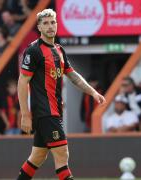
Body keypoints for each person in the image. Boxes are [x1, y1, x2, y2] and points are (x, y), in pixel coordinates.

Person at [17, 9, 106, 180]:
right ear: (39, 27)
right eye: (46, 23)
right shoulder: (33, 51)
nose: (50, 26)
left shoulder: (59, 49)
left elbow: (74, 76)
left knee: (37, 157)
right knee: (62, 155)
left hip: (54, 111)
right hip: (45, 113)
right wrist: (25, 114)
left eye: (53, 22)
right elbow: (22, 82)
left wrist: (93, 92)